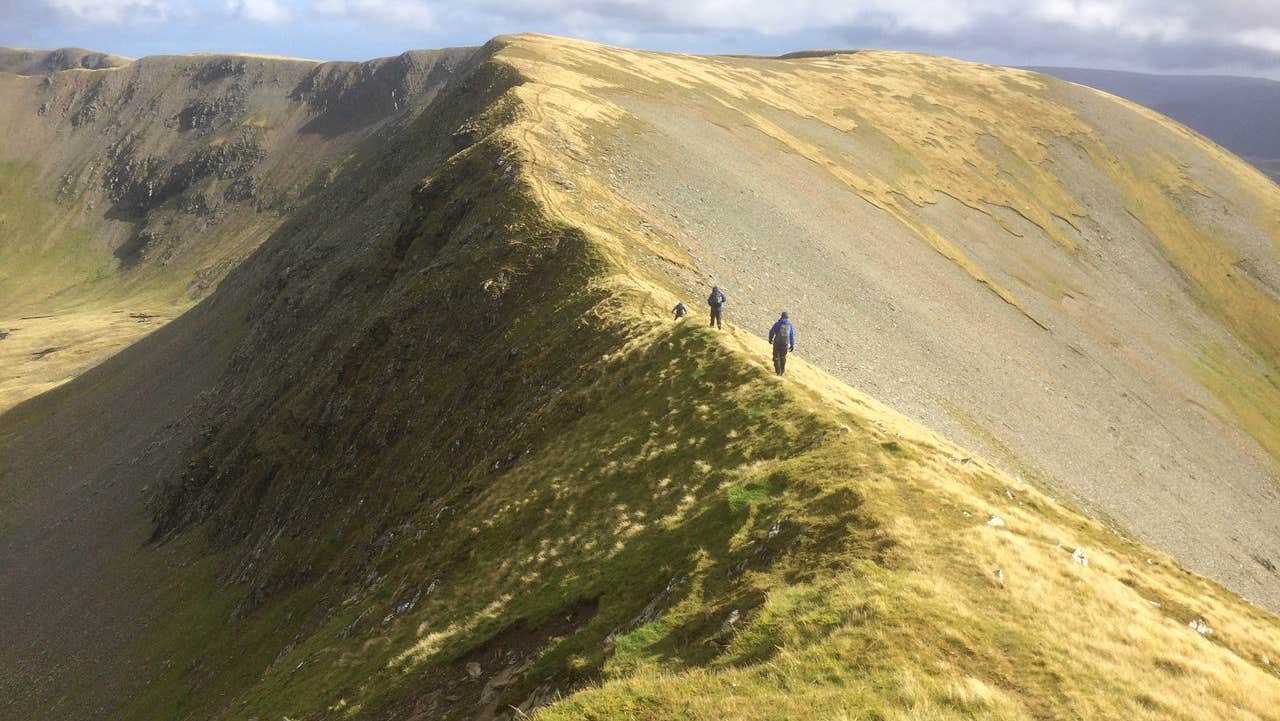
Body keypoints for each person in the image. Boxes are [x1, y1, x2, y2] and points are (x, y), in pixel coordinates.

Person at [768, 311, 796, 376]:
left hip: (777, 344)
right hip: (785, 345)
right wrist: (792, 345)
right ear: (787, 317)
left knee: (776, 357)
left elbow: (772, 331)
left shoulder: (778, 324)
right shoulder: (790, 325)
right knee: (783, 357)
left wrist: (770, 339)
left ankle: (778, 372)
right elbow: (791, 335)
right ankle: (782, 372)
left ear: (781, 316)